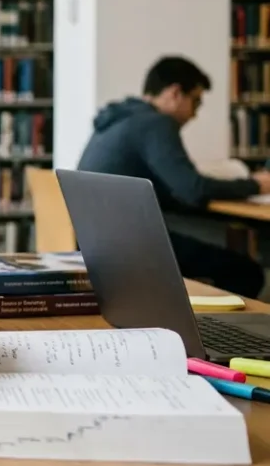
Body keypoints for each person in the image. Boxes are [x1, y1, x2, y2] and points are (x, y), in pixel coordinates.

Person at [77, 55, 270, 298]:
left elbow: (178, 189)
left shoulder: (119, 118)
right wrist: (256, 184)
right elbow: (193, 189)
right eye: (196, 102)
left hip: (94, 241)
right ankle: (213, 331)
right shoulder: (155, 124)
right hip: (128, 245)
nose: (194, 115)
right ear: (175, 93)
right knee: (246, 272)